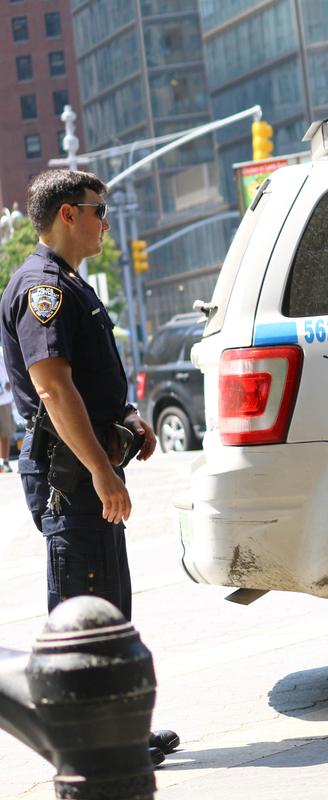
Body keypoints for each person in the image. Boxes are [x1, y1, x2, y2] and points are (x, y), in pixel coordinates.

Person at [0, 169, 179, 764]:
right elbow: (52, 388)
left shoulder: (70, 283)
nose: (106, 220)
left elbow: (87, 376)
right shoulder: (41, 287)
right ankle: (87, 749)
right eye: (99, 210)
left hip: (85, 463)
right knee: (81, 610)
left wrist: (127, 415)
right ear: (68, 215)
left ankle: (118, 733)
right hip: (70, 474)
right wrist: (102, 470)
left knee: (107, 608)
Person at [0, 345, 14, 473]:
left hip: (3, 400)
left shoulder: (2, 352)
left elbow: (10, 371)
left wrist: (10, 385)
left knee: (5, 433)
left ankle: (4, 462)